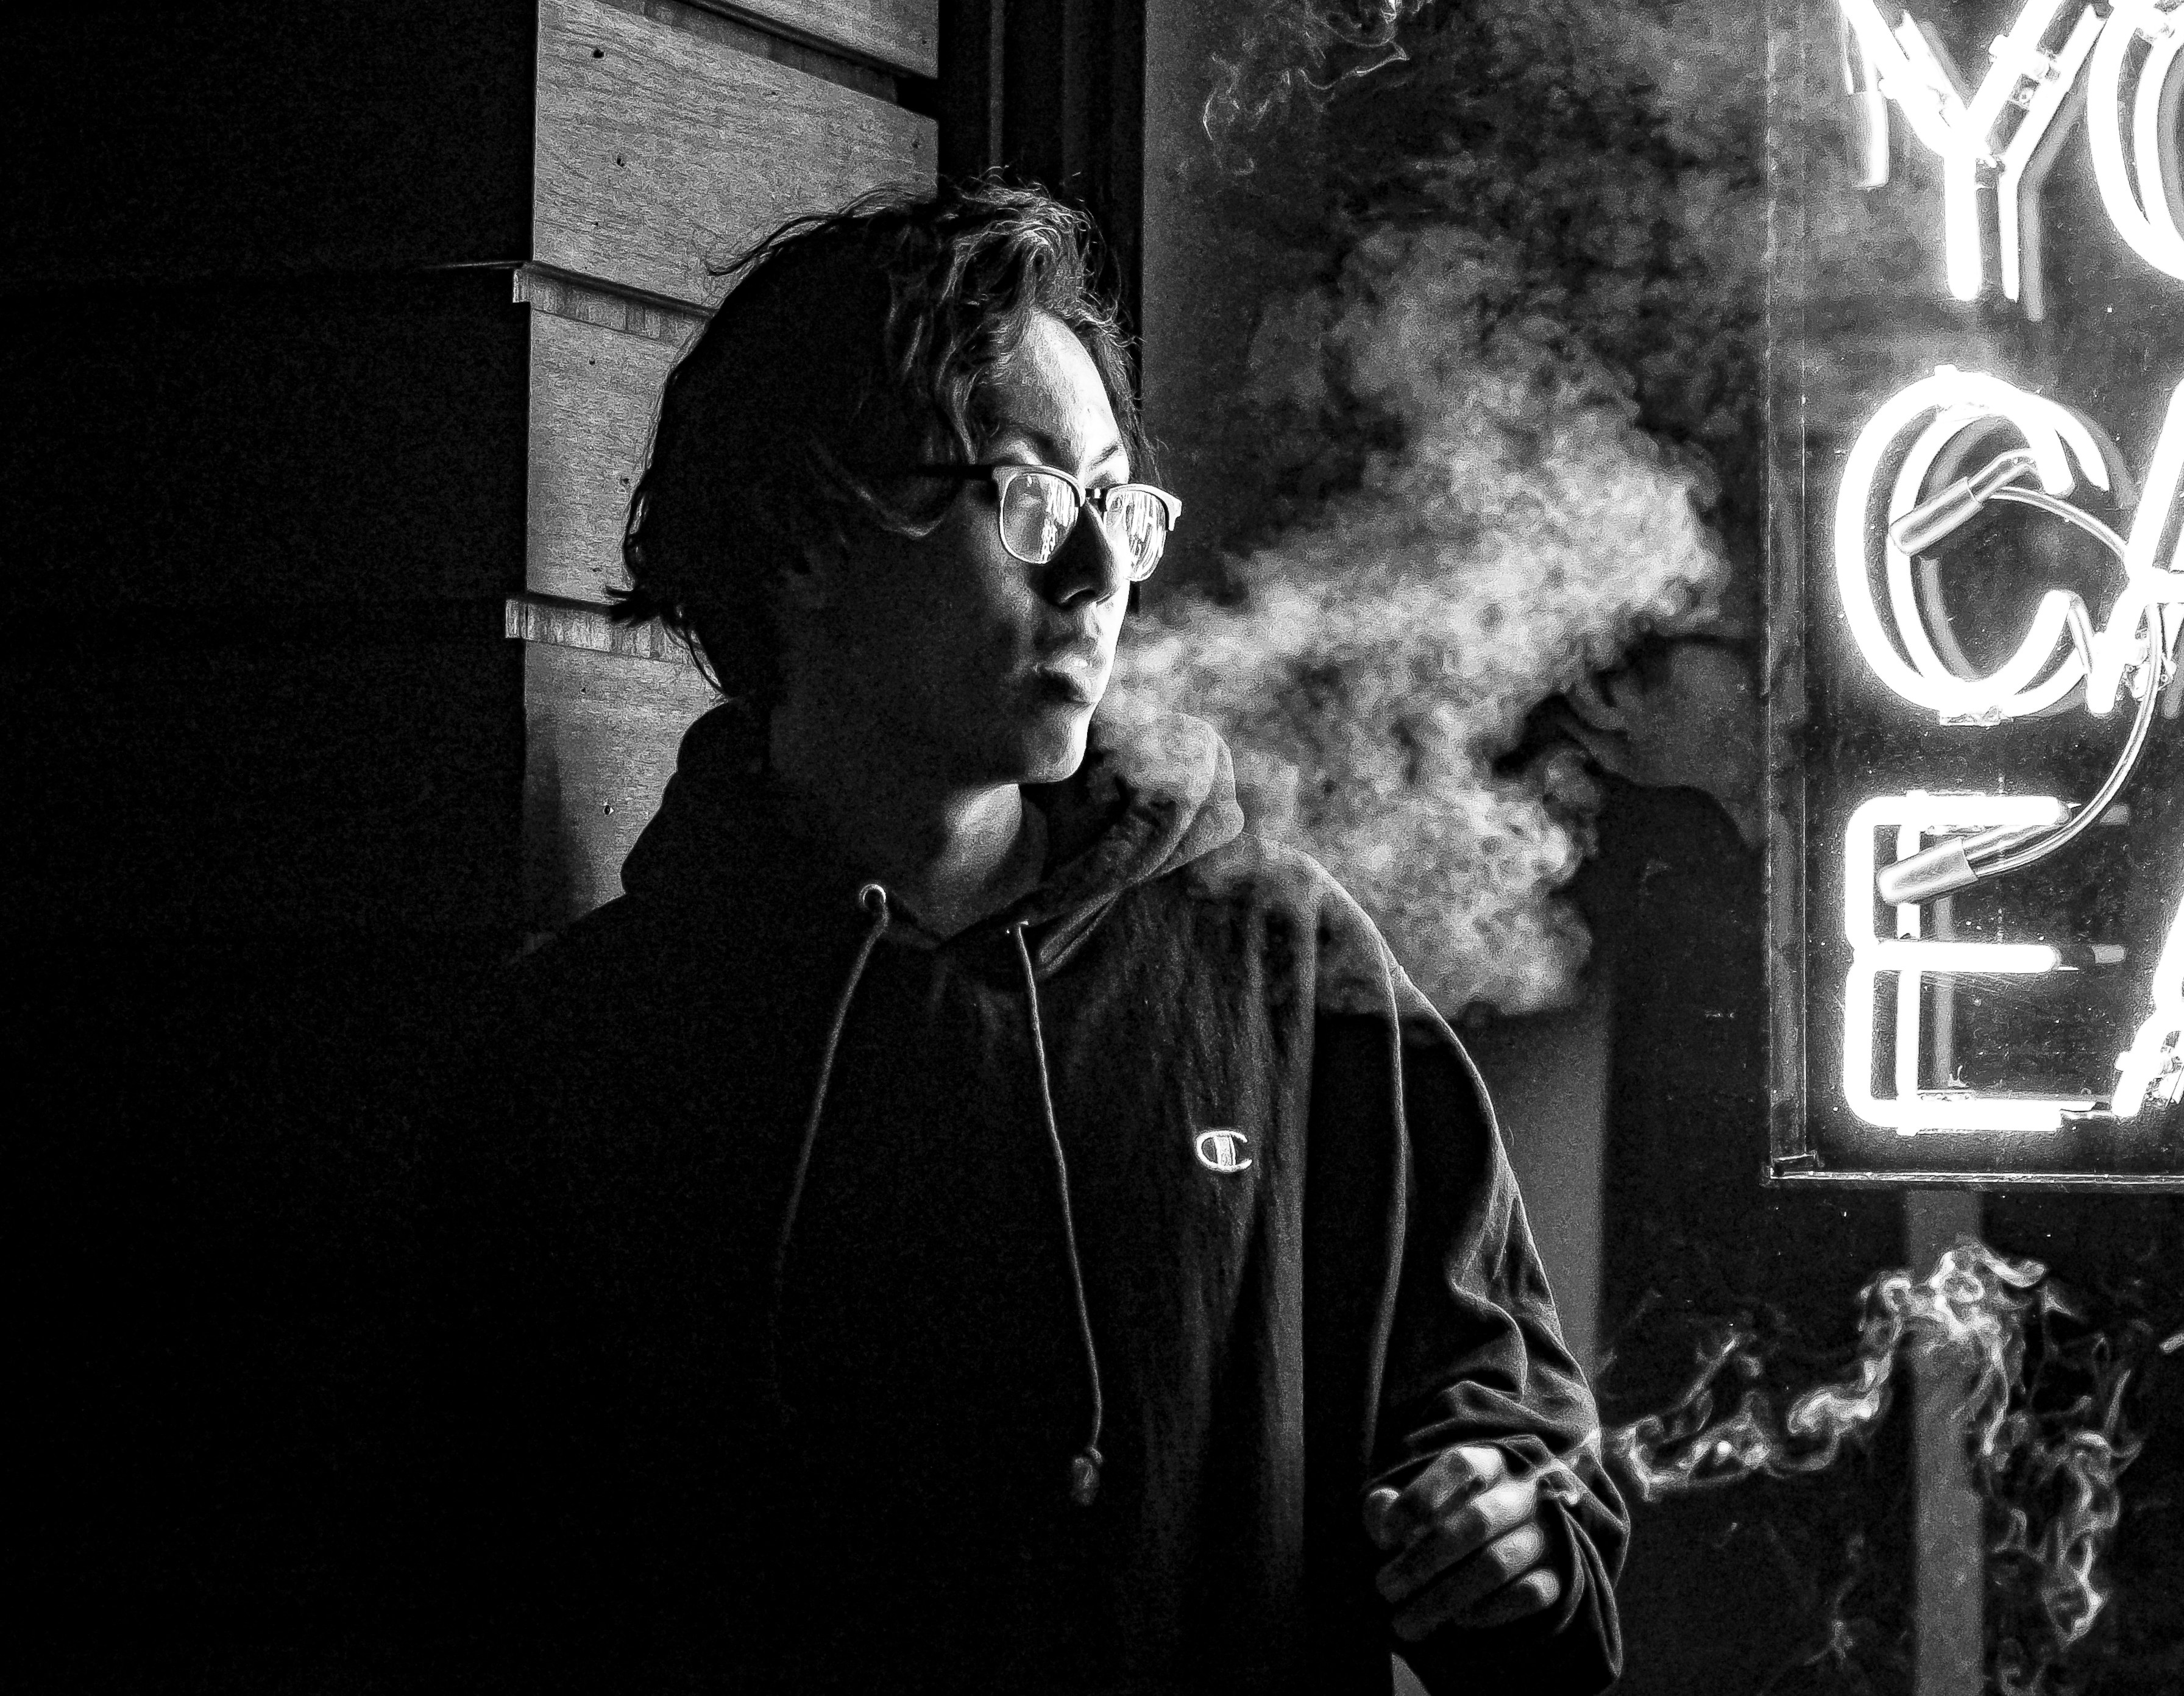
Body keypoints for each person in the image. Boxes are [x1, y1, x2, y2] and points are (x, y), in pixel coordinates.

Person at [430, 180, 1623, 1692]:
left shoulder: (1277, 959)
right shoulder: (585, 1056)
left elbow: (1517, 1457)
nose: (1101, 573)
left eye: (1115, 504)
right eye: (1030, 499)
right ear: (805, 532)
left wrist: (1508, 1533)